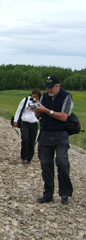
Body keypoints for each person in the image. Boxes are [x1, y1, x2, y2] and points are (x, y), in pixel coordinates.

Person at [34, 76, 73, 205]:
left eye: (51, 87)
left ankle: (65, 193)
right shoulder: (44, 96)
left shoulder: (66, 97)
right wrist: (37, 110)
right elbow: (38, 115)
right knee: (46, 165)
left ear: (58, 86)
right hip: (45, 134)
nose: (48, 89)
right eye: (46, 87)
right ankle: (48, 194)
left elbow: (64, 117)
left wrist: (46, 110)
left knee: (62, 162)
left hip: (60, 134)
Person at [13, 88, 42, 164]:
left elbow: (41, 113)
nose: (35, 97)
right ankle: (24, 157)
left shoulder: (40, 102)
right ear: (31, 94)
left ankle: (29, 158)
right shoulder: (25, 100)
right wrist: (15, 120)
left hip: (34, 124)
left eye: (36, 96)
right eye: (33, 95)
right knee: (25, 139)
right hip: (25, 123)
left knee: (32, 142)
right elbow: (19, 110)